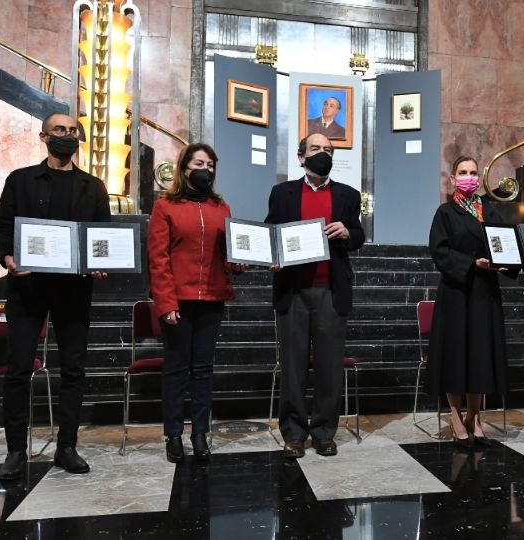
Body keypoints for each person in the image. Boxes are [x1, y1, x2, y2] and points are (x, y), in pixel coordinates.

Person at [0, 112, 111, 479]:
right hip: (27, 290)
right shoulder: (20, 180)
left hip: (73, 292)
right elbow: (3, 227)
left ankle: (67, 446)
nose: (68, 135)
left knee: (73, 370)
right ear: (44, 136)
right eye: (61, 130)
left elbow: (102, 236)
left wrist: (100, 260)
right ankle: (15, 451)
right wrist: (8, 257)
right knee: (18, 369)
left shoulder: (94, 187)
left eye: (74, 131)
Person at [265, 133, 364, 458]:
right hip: (293, 291)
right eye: (316, 148)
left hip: (330, 291)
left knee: (329, 367)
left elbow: (359, 233)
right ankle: (293, 434)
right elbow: (270, 233)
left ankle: (324, 432)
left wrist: (349, 232)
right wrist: (273, 257)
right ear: (301, 156)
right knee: (292, 367)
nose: (323, 153)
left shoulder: (348, 195)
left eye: (328, 149)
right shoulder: (283, 193)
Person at [148, 143, 246, 463]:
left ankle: (200, 432)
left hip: (212, 298)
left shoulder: (222, 208)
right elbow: (158, 259)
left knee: (203, 370)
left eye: (211, 164)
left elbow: (226, 256)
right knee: (177, 370)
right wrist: (166, 302)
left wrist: (239, 263)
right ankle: (173, 435)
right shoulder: (165, 206)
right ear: (185, 168)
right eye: (199, 162)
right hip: (178, 300)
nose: (206, 168)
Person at [427, 156, 518, 448]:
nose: (469, 177)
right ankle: (455, 418)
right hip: (456, 292)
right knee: (456, 357)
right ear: (453, 178)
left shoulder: (489, 209)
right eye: (463, 173)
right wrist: (471, 263)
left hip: (484, 293)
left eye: (473, 173)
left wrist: (510, 262)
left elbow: (508, 243)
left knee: (480, 355)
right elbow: (439, 252)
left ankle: (475, 417)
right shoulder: (445, 212)